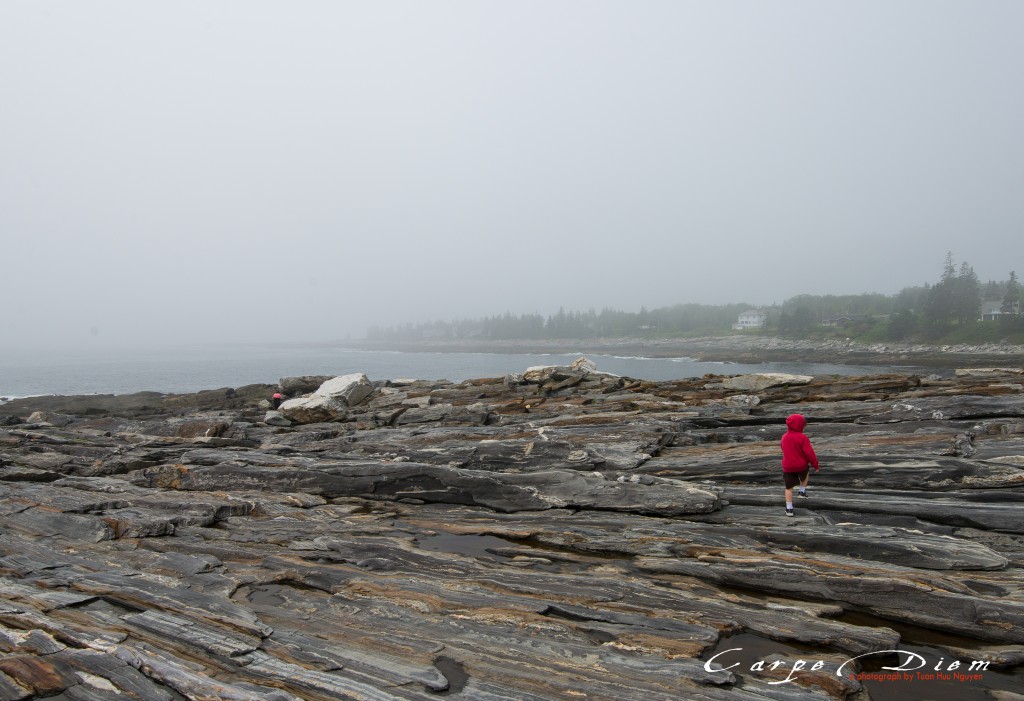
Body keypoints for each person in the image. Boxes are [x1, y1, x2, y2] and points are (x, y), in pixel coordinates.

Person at [780, 413, 819, 517]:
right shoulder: (802, 437)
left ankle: (789, 509)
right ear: (801, 426)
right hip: (801, 465)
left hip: (788, 466)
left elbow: (782, 448)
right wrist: (815, 464)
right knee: (805, 474)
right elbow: (809, 453)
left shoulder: (784, 437)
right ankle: (802, 492)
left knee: (788, 488)